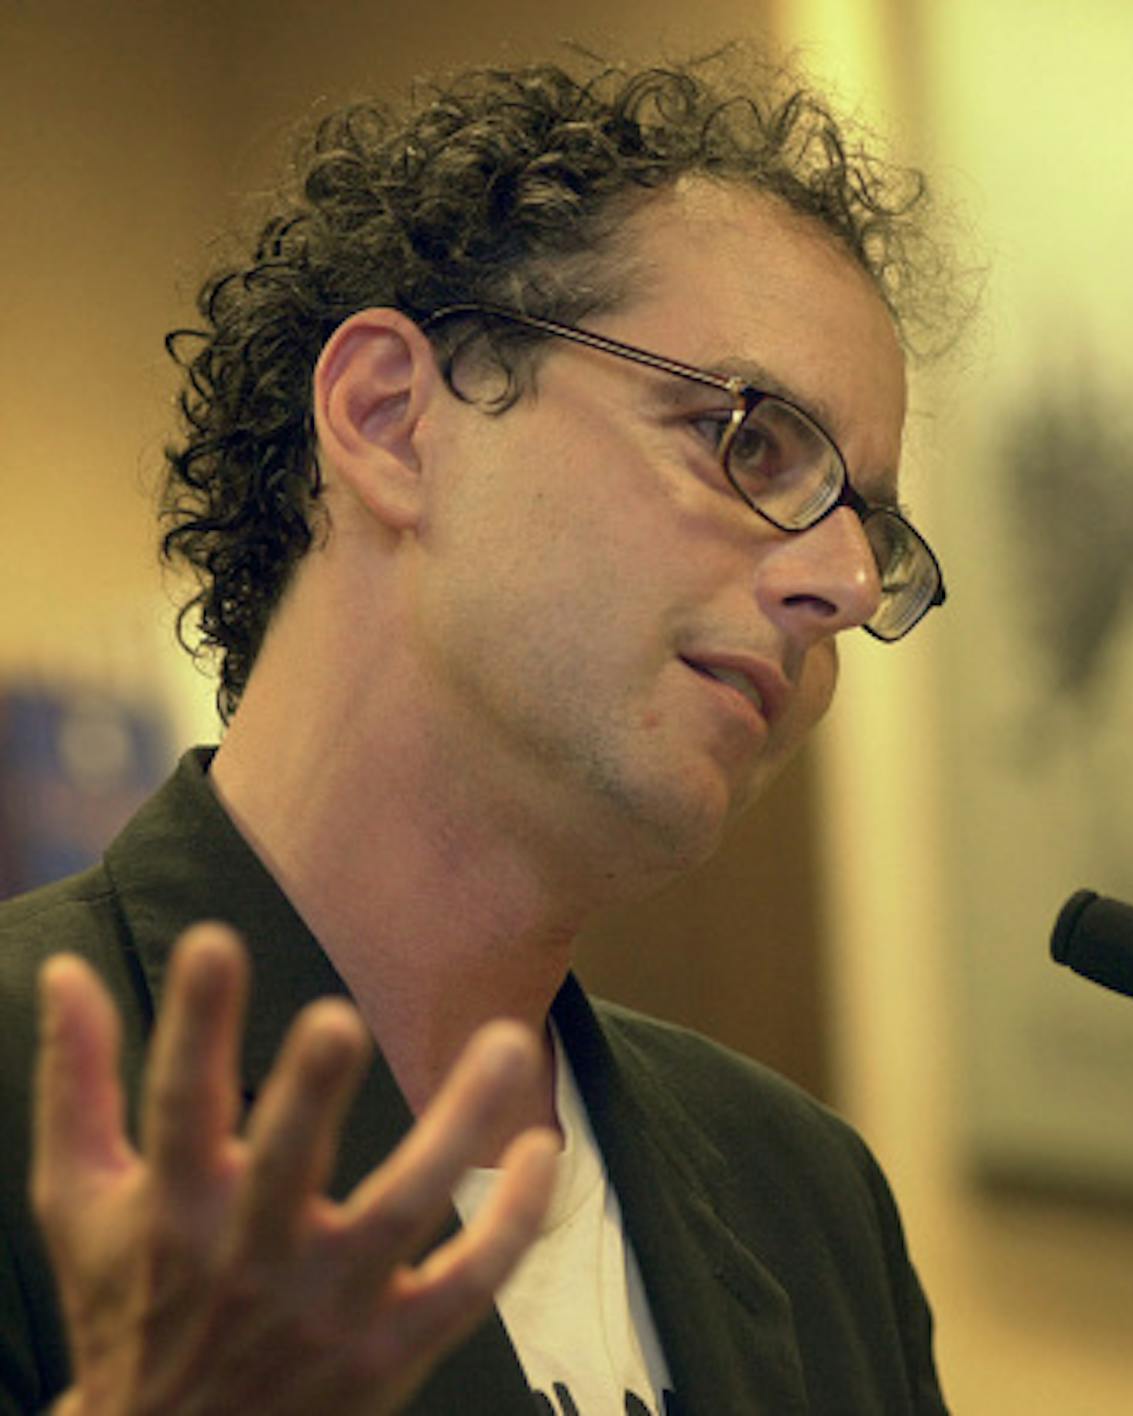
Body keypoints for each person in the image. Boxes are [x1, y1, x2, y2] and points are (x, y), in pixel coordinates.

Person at [0, 50, 953, 1415]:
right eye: (749, 441)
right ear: (390, 420)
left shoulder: (808, 1205)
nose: (846, 587)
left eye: (875, 532)